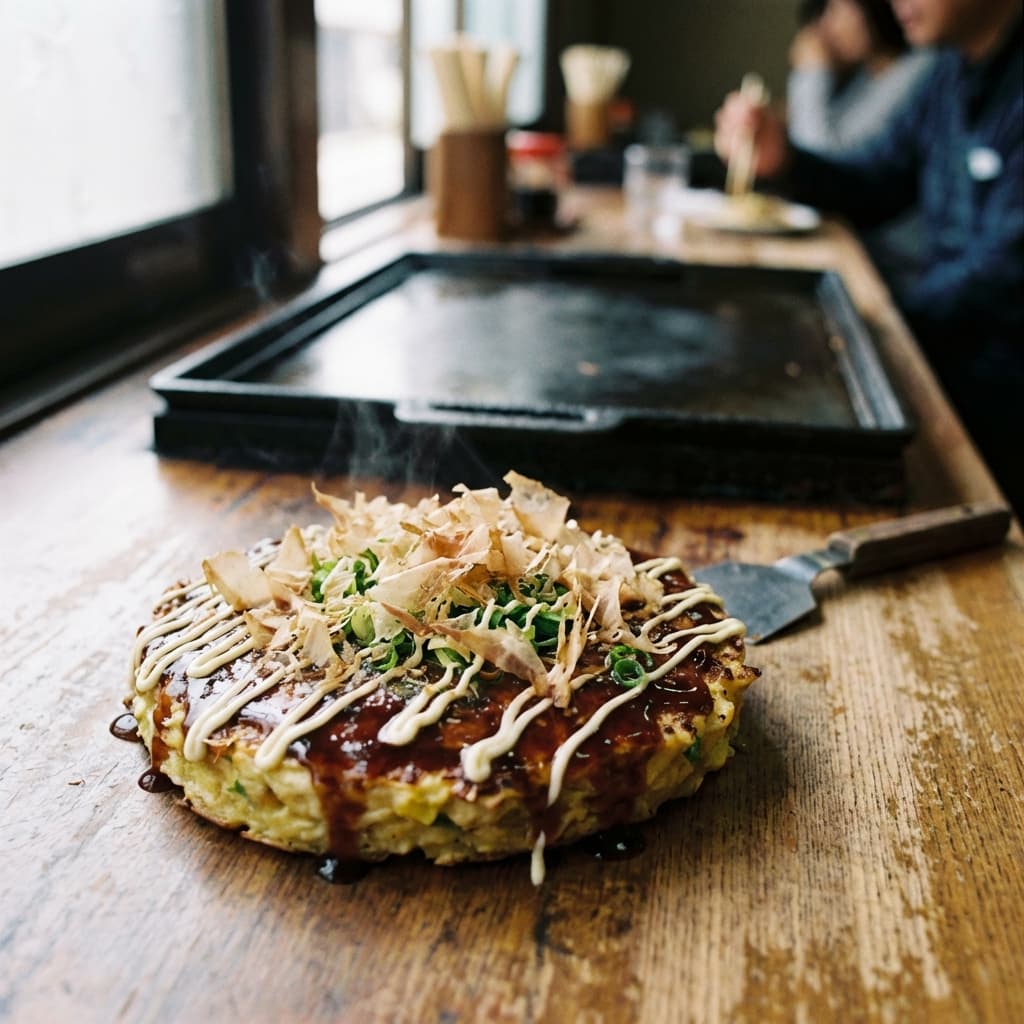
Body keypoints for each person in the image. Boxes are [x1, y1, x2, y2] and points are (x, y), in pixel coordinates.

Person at [715, 0, 1024, 511]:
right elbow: (874, 182)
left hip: (998, 408)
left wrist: (867, 323)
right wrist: (784, 159)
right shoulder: (948, 70)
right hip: (940, 370)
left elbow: (1002, 276)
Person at [788, 0, 935, 154]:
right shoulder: (868, 77)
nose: (824, 27)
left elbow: (818, 156)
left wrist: (812, 71)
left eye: (834, 9)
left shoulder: (921, 68)